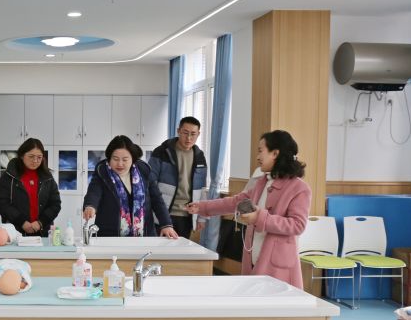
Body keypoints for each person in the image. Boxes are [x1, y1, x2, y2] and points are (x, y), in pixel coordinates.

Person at [187, 130, 311, 289]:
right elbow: (235, 202)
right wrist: (202, 206)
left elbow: (297, 225)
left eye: (260, 151)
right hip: (253, 258)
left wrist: (259, 218)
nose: (258, 157)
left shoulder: (300, 188)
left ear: (275, 153)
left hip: (277, 266)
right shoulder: (261, 182)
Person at [83, 135, 178, 238]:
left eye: (125, 159)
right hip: (110, 235)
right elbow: (94, 192)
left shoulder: (144, 171)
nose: (120, 164)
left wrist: (166, 224)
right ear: (109, 158)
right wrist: (90, 206)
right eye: (115, 159)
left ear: (132, 159)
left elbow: (157, 200)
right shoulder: (102, 172)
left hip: (144, 235)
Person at [148, 116, 208, 239]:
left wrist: (202, 217)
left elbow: (202, 188)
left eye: (193, 134)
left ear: (198, 134)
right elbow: (150, 183)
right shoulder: (162, 152)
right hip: (162, 213)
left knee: (180, 250)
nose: (189, 138)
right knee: (158, 249)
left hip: (186, 215)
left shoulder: (200, 156)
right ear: (178, 131)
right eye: (185, 133)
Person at [0, 138, 61, 237]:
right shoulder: (9, 176)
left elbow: (55, 204)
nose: (35, 161)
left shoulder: (48, 178)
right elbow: (2, 203)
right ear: (22, 155)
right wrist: (21, 222)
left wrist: (40, 223)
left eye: (39, 157)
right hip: (15, 231)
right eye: (31, 156)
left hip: (42, 232)